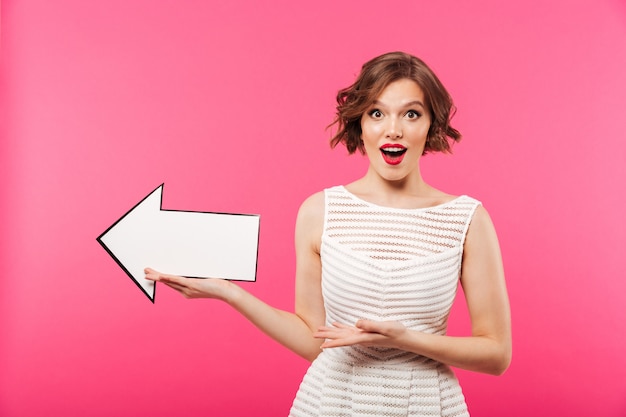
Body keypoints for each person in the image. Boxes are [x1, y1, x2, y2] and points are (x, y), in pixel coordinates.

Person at [144, 51, 511, 416]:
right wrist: (228, 292)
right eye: (377, 113)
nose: (393, 129)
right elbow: (312, 339)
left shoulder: (467, 219)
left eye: (411, 113)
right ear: (360, 124)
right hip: (331, 403)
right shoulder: (319, 211)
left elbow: (496, 355)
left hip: (428, 405)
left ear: (431, 124)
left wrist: (406, 339)